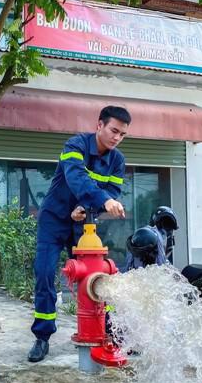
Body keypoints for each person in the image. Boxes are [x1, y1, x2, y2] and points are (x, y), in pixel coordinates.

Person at [28, 106, 132, 362]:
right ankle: (42, 336)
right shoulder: (74, 144)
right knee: (44, 273)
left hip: (83, 224)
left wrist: (86, 207)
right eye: (113, 130)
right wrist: (102, 201)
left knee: (96, 278)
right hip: (53, 220)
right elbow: (76, 178)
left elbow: (114, 191)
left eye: (122, 134)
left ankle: (109, 331)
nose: (117, 138)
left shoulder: (117, 160)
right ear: (99, 125)